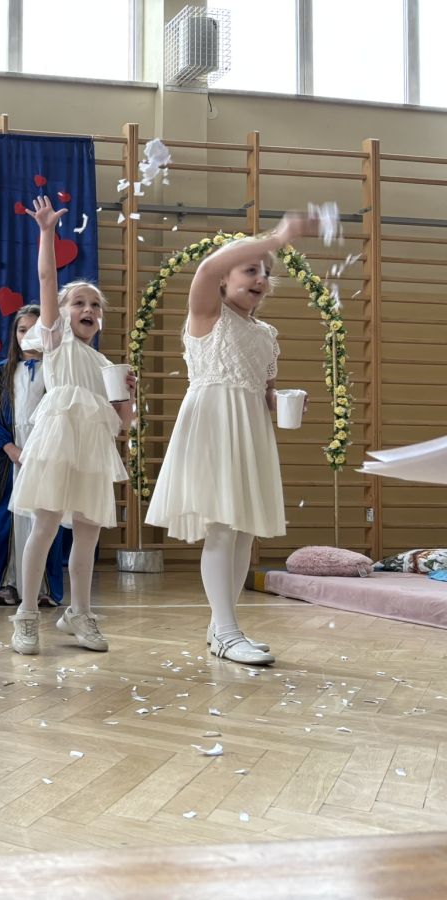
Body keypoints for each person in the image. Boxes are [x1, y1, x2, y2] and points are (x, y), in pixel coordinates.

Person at [146, 214, 319, 665]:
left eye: (266, 272)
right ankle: (226, 632)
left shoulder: (266, 334)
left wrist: (283, 403)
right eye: (250, 268)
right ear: (225, 277)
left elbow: (263, 393)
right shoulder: (208, 315)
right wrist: (277, 238)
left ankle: (221, 624)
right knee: (223, 528)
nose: (261, 277)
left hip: (249, 431)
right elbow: (204, 268)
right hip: (212, 426)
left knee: (243, 532)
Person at [8, 196, 134, 656]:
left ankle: (79, 612)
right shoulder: (56, 340)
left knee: (88, 532)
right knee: (44, 528)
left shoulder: (104, 364)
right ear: (61, 312)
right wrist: (47, 232)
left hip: (93, 448)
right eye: (79, 302)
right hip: (57, 443)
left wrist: (129, 397)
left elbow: (120, 426)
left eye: (95, 305)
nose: (89, 309)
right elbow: (47, 279)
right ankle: (26, 614)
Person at [0, 305, 65, 608]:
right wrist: (11, 448)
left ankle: (46, 588)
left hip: (47, 453)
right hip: (10, 456)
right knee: (8, 519)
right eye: (22, 330)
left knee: (46, 518)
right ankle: (7, 583)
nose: (28, 335)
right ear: (14, 335)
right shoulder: (1, 371)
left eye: (35, 329)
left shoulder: (59, 371)